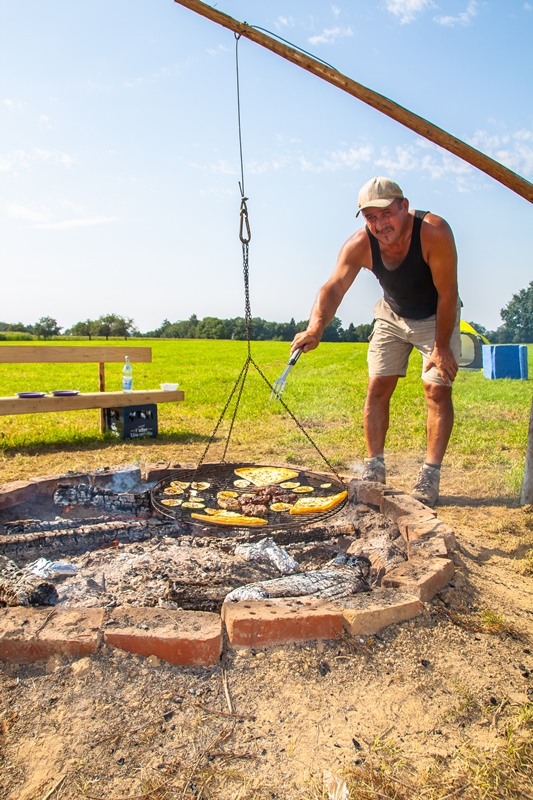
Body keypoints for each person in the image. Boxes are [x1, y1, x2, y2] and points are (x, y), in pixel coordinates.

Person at [291, 176, 460, 507]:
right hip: (391, 316)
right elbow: (333, 287)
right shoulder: (360, 244)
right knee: (377, 387)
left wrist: (441, 347)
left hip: (436, 316)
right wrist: (316, 328)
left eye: (386, 214)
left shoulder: (434, 232)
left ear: (404, 206)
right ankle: (375, 466)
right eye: (370, 217)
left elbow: (448, 293)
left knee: (437, 389)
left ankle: (430, 474)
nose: (380, 224)